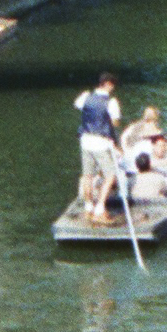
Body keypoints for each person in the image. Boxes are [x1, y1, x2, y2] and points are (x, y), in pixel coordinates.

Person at [73, 73, 123, 223]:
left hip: (85, 140)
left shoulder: (85, 96)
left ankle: (88, 207)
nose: (113, 89)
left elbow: (78, 106)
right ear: (107, 84)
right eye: (112, 85)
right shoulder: (111, 102)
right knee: (110, 175)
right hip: (100, 142)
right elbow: (115, 123)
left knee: (87, 175)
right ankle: (100, 208)